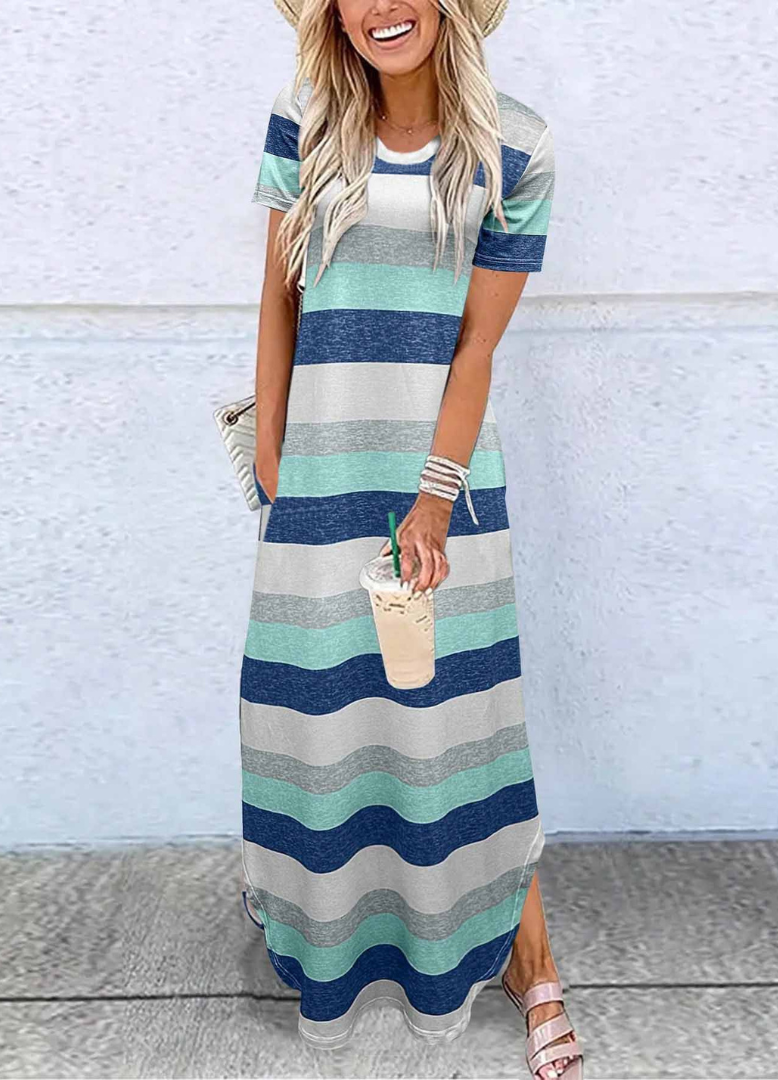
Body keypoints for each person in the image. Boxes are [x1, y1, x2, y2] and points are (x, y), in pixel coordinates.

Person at [239, 3, 582, 1077]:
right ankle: (334, 944)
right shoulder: (303, 119)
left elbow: (477, 345)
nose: (382, 6)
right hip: (321, 477)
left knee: (460, 725)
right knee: (321, 718)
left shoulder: (516, 145)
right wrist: (273, 461)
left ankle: (531, 961)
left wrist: (433, 500)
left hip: (444, 483)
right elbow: (279, 300)